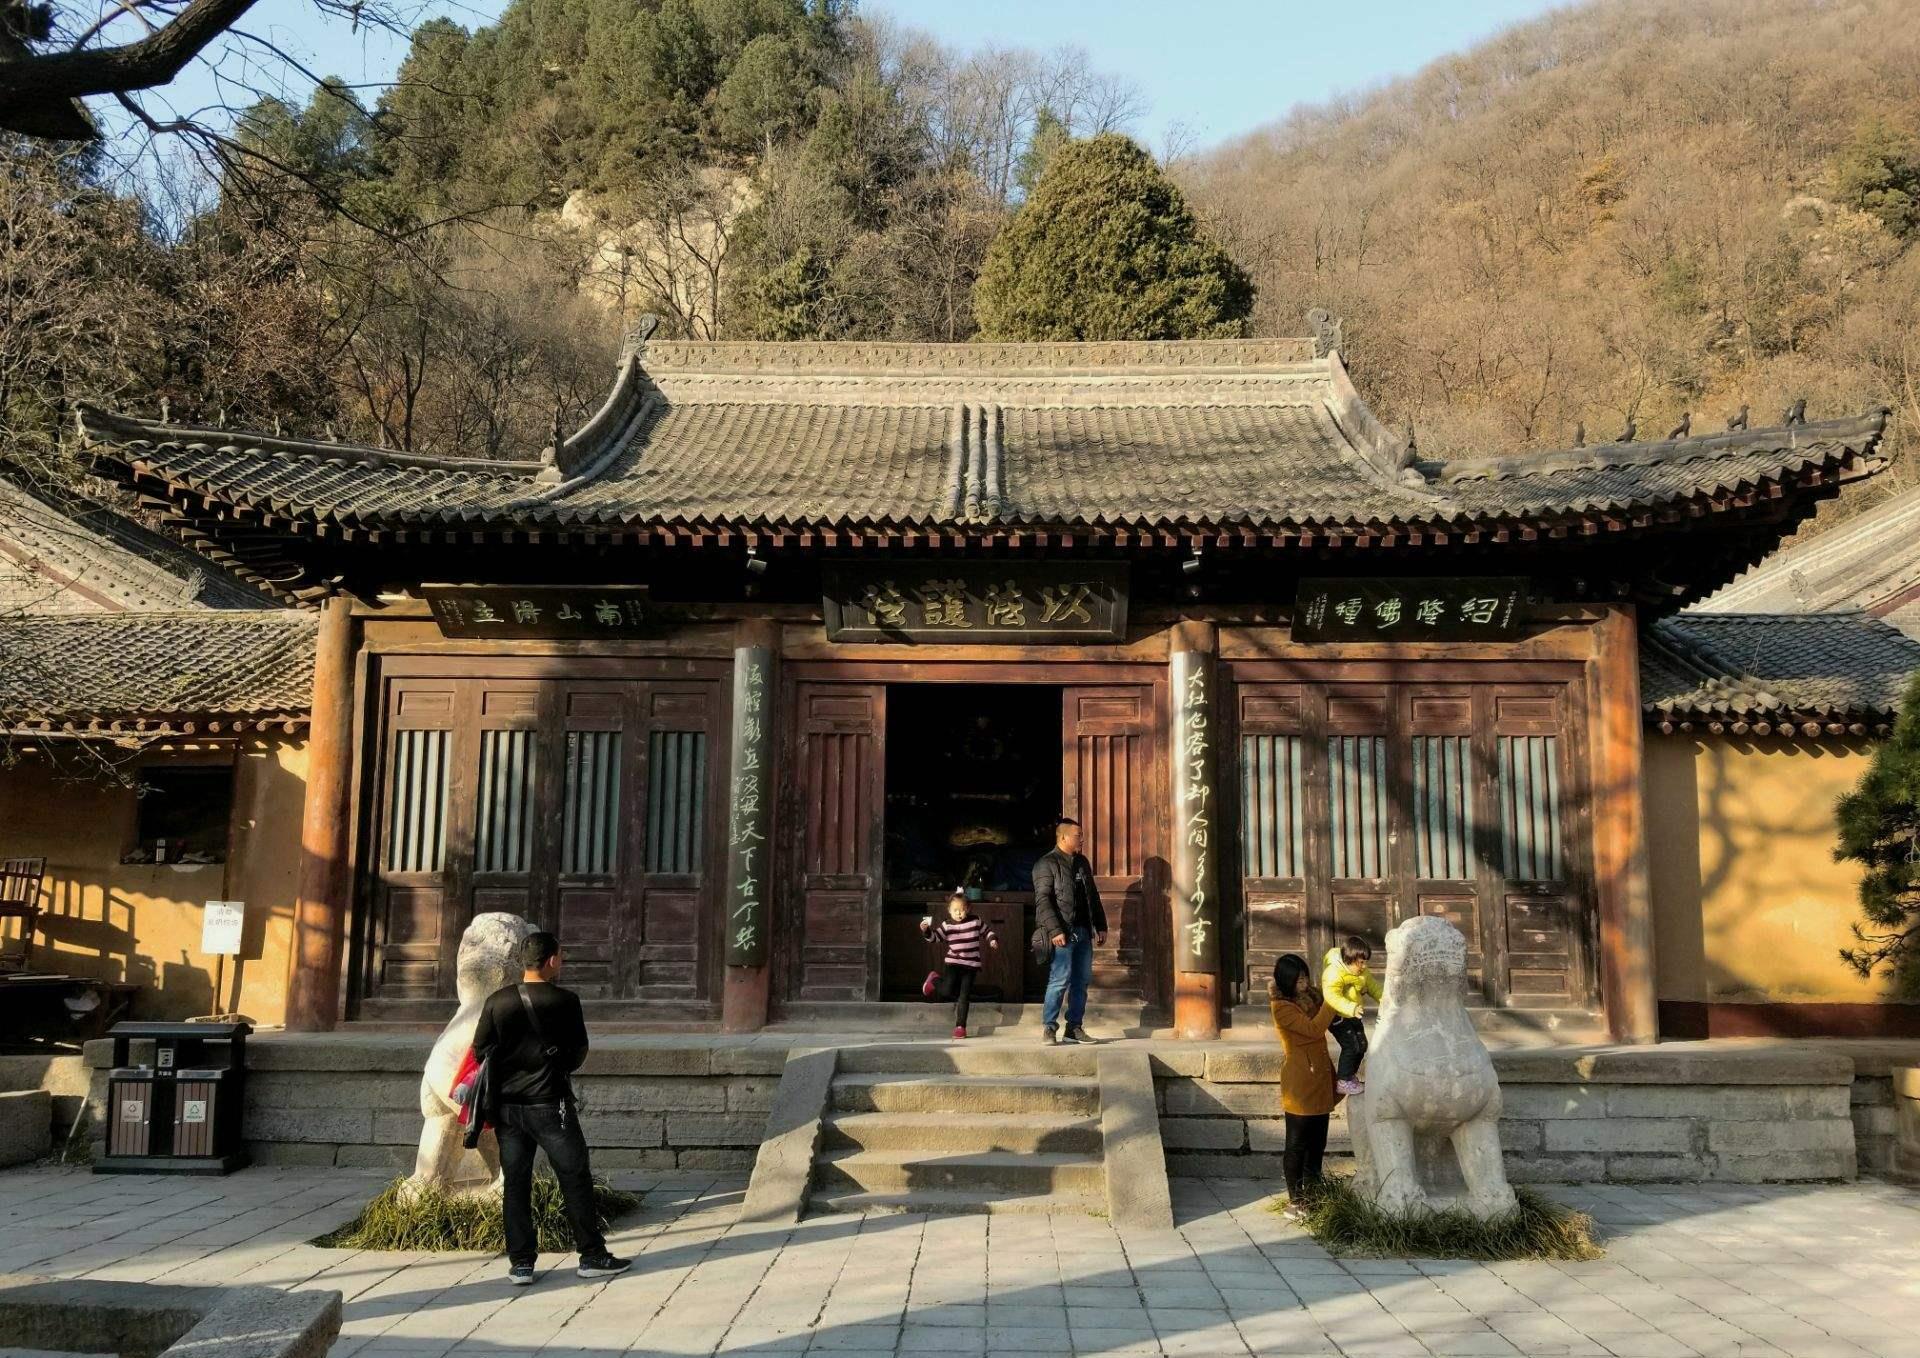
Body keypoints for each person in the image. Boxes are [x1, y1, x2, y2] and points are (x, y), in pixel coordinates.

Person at [472, 930, 630, 1286]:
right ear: (552, 960)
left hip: (508, 1109)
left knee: (516, 1182)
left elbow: (480, 1048)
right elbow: (578, 1052)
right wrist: (554, 1066)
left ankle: (521, 1264)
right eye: (561, 957)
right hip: (550, 1104)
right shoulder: (565, 1001)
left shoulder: (498, 1001)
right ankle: (592, 1255)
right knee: (574, 1176)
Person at [1269, 952, 1342, 1217]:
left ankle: (1313, 1197)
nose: (1304, 983)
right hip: (1300, 1083)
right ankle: (1295, 1200)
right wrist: (1332, 1002)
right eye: (1298, 979)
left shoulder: (1313, 998)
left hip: (1320, 1078)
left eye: (1305, 977)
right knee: (1296, 1144)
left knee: (1317, 1144)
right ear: (1286, 981)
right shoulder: (1282, 1007)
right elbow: (1313, 1030)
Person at [1033, 816, 1107, 1045]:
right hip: (1062, 933)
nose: (1082, 839)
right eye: (1078, 835)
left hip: (1083, 931)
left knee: (1081, 982)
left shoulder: (1082, 862)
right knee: (1059, 980)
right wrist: (1055, 930)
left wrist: (1101, 925)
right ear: (1063, 837)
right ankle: (1049, 1027)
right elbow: (1043, 900)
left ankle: (1074, 1028)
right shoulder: (1046, 864)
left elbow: (1092, 895)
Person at [920, 889, 999, 1038]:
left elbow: (987, 931)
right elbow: (935, 938)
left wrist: (992, 940)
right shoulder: (947, 925)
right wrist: (926, 931)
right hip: (953, 964)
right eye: (955, 910)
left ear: (967, 909)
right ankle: (934, 980)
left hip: (971, 966)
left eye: (962, 910)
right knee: (947, 991)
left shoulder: (975, 921)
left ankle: (960, 1026)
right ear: (949, 911)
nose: (959, 913)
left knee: (964, 996)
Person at [1320, 935, 1384, 1095]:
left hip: (1354, 1014)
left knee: (1362, 1045)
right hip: (1339, 1017)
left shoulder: (1362, 972)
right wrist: (1351, 1007)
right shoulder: (1334, 973)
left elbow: (1373, 987)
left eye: (1365, 962)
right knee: (1351, 1046)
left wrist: (1385, 999)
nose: (1364, 966)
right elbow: (1331, 996)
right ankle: (1343, 1080)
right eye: (1360, 962)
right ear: (1349, 959)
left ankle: (1350, 1076)